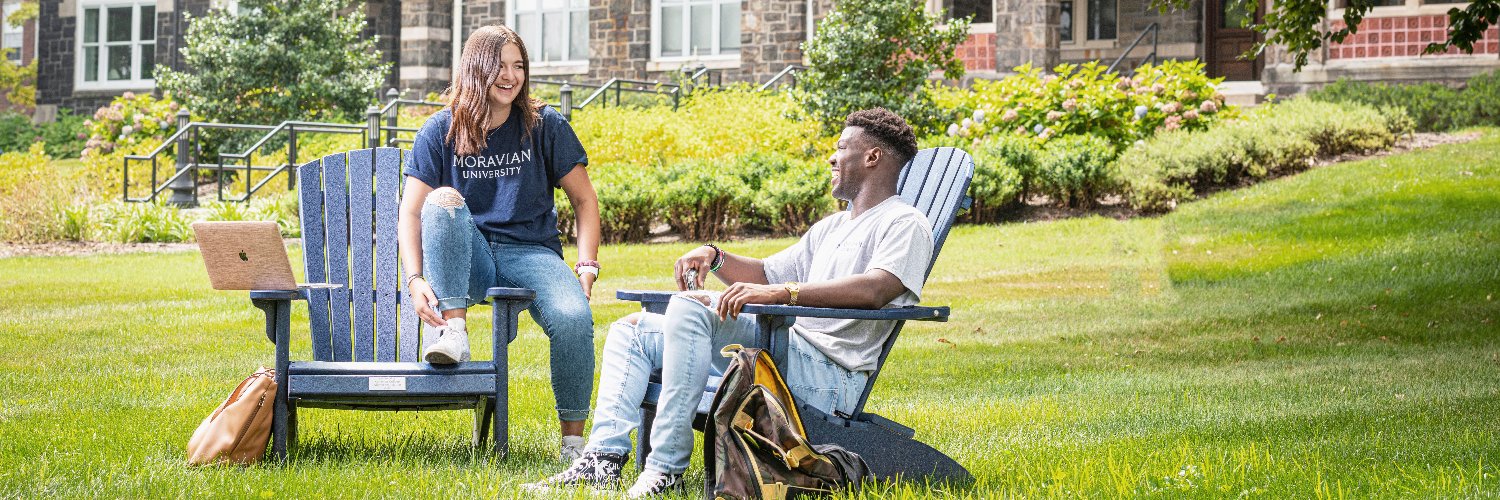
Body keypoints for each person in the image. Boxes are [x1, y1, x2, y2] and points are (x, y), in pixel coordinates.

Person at [528, 108, 934, 497]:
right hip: (782, 352)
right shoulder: (832, 226)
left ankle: (665, 469)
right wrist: (714, 255)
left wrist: (783, 294)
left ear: (872, 157)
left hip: (827, 375)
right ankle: (602, 460)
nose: (832, 155)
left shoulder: (904, 222)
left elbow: (878, 288)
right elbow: (765, 274)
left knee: (691, 306)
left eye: (842, 147)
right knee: (631, 331)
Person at [397, 24, 601, 462]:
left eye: (518, 66)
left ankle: (573, 445)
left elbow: (584, 200)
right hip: (465, 256)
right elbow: (412, 211)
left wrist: (586, 265)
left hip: (531, 252)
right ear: (476, 69)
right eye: (499, 66)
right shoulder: (441, 129)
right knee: (441, 200)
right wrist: (415, 278)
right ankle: (454, 331)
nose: (510, 76)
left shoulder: (545, 125)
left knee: (573, 317)